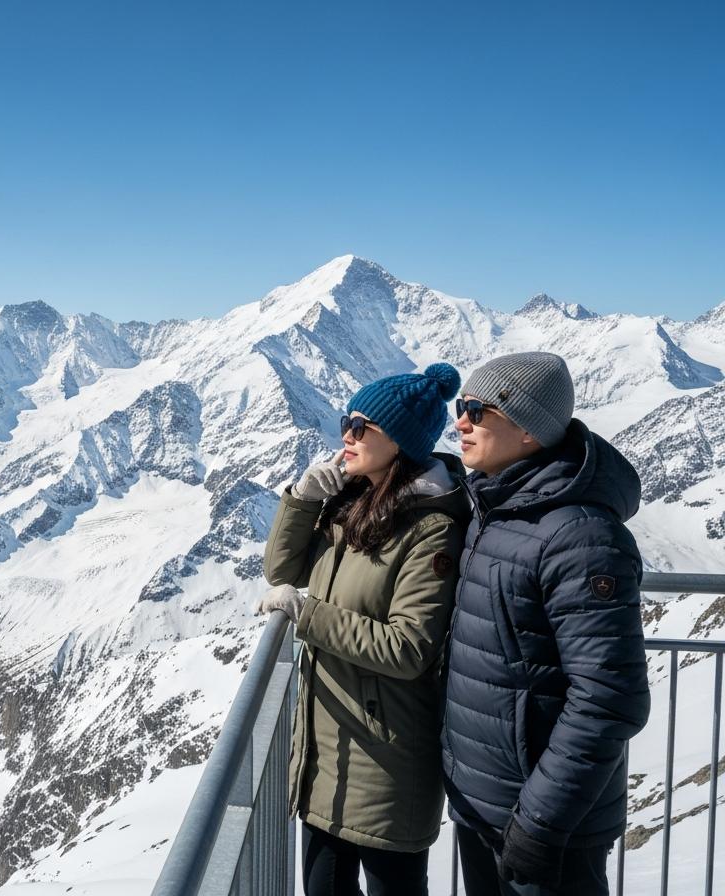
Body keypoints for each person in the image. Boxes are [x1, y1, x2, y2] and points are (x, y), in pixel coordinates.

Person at [443, 351, 651, 895]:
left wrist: (539, 825)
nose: (459, 421)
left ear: (529, 431)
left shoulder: (580, 536)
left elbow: (609, 697)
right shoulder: (499, 507)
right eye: (459, 406)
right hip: (488, 806)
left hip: (543, 827)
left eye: (476, 410)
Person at [258, 362, 470, 896]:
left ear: (398, 442)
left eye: (361, 426)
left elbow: (408, 647)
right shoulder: (354, 506)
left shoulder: (430, 529)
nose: (345, 436)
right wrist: (304, 499)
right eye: (345, 421)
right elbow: (284, 572)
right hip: (328, 751)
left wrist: (306, 617)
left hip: (386, 758)